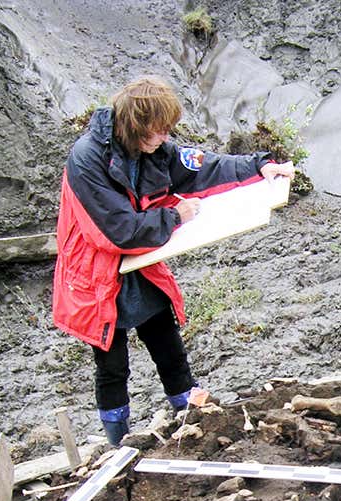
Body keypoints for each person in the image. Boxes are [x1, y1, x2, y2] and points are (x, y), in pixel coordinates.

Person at [52, 75, 294, 445]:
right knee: (112, 368)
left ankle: (191, 423)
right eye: (159, 131)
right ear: (136, 126)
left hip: (143, 263)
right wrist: (175, 217)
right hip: (98, 275)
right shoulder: (86, 160)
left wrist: (258, 167)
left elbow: (202, 167)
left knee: (168, 345)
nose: (166, 138)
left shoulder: (154, 149)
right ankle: (120, 443)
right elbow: (119, 231)